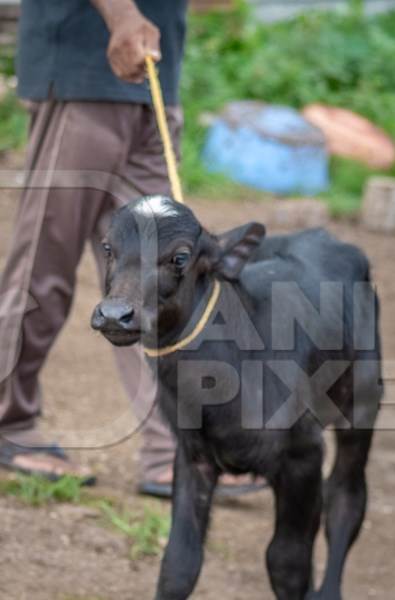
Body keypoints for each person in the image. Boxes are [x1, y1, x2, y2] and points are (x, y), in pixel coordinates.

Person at [0, 0, 262, 497]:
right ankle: (8, 422)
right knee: (43, 267)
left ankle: (172, 449)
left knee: (163, 275)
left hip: (155, 81)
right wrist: (121, 14)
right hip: (83, 75)